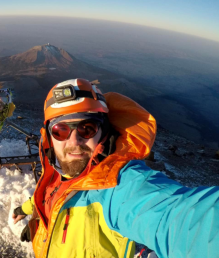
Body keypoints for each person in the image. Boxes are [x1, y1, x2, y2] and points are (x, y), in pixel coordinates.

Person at [12, 78, 219, 258]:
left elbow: (179, 220)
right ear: (48, 138)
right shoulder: (62, 169)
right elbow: (54, 193)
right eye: (60, 130)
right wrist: (34, 216)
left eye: (87, 128)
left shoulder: (117, 186)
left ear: (103, 133)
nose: (74, 141)